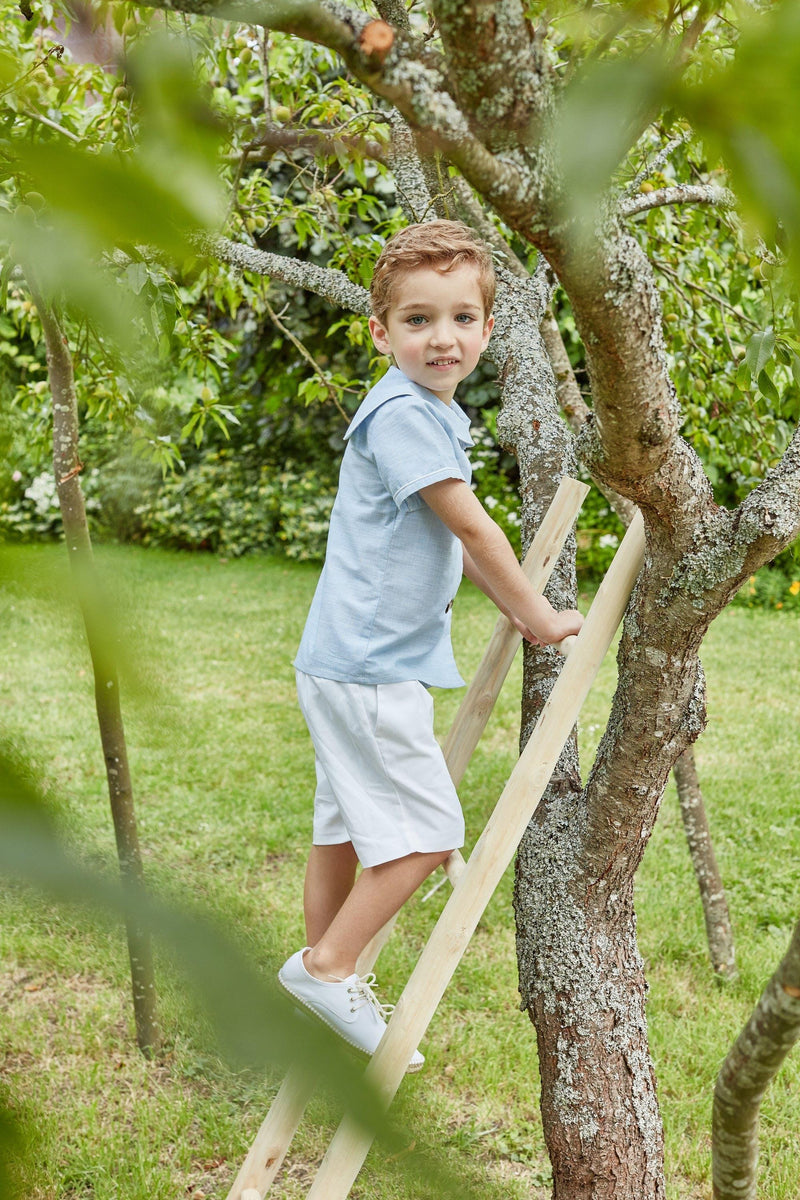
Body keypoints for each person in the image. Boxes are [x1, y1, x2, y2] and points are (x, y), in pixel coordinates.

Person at [278, 220, 583, 1071]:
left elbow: (449, 545)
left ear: (486, 329)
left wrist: (516, 611)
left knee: (340, 828)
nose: (441, 338)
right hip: (371, 668)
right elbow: (475, 531)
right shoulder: (407, 417)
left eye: (460, 318)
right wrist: (545, 614)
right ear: (381, 332)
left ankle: (322, 985)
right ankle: (329, 968)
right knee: (423, 833)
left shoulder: (420, 412)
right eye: (417, 321)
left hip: (348, 660)